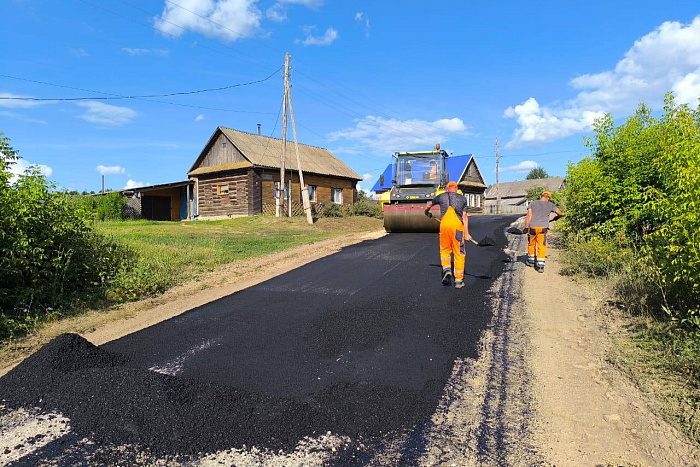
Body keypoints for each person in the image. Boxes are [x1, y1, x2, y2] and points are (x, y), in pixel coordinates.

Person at [425, 181, 471, 288]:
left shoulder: (441, 197)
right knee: (459, 252)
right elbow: (464, 217)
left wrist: (426, 211)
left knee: (445, 249)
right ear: (456, 189)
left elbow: (429, 204)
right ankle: (459, 280)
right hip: (457, 228)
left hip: (444, 226)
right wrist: (467, 233)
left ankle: (446, 269)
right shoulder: (462, 199)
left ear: (447, 189)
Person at [525, 190, 562, 272]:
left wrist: (526, 227)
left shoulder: (533, 203)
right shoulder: (550, 205)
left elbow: (529, 215)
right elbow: (560, 213)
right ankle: (540, 265)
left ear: (540, 196)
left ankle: (531, 261)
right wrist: (557, 217)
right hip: (543, 228)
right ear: (548, 198)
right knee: (541, 245)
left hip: (533, 227)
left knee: (531, 243)